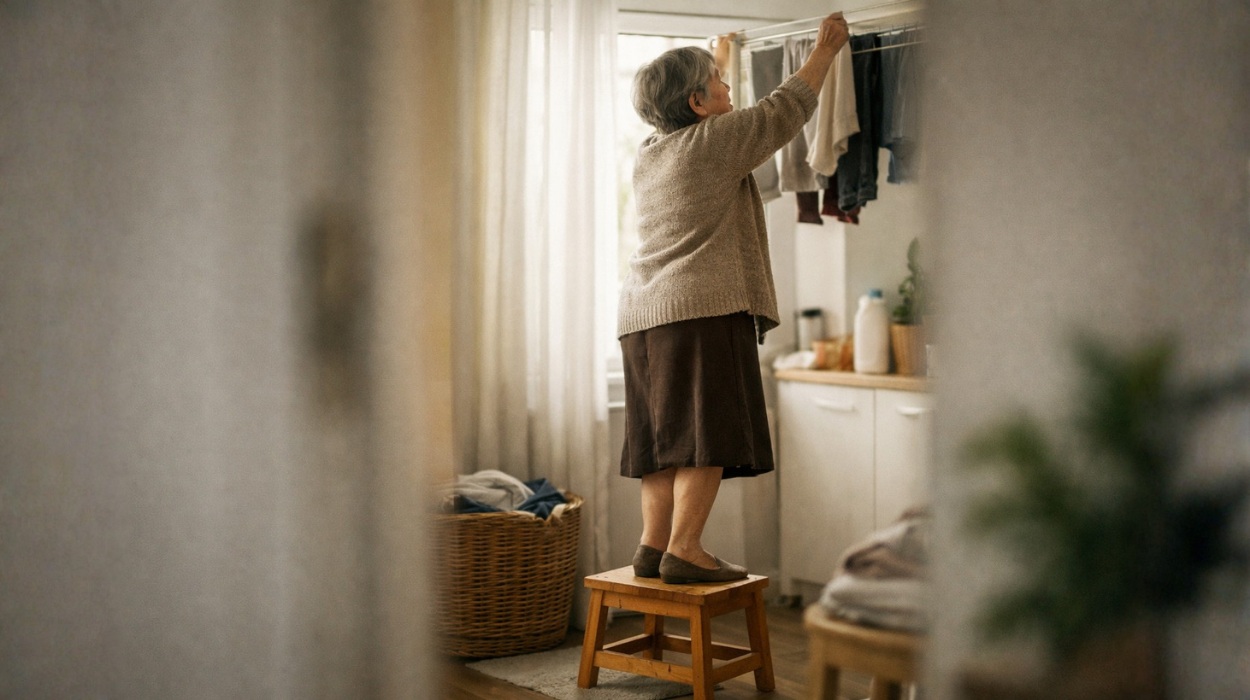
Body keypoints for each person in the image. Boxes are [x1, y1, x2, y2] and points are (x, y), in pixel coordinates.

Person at [618, 13, 851, 584]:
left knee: (662, 440)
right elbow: (784, 109)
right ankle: (687, 548)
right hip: (700, 309)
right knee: (706, 432)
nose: (729, 92)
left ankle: (653, 546)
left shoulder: (651, 153)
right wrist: (825, 50)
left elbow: (720, 110)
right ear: (698, 104)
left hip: (640, 316)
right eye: (719, 85)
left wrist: (718, 61)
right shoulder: (714, 142)